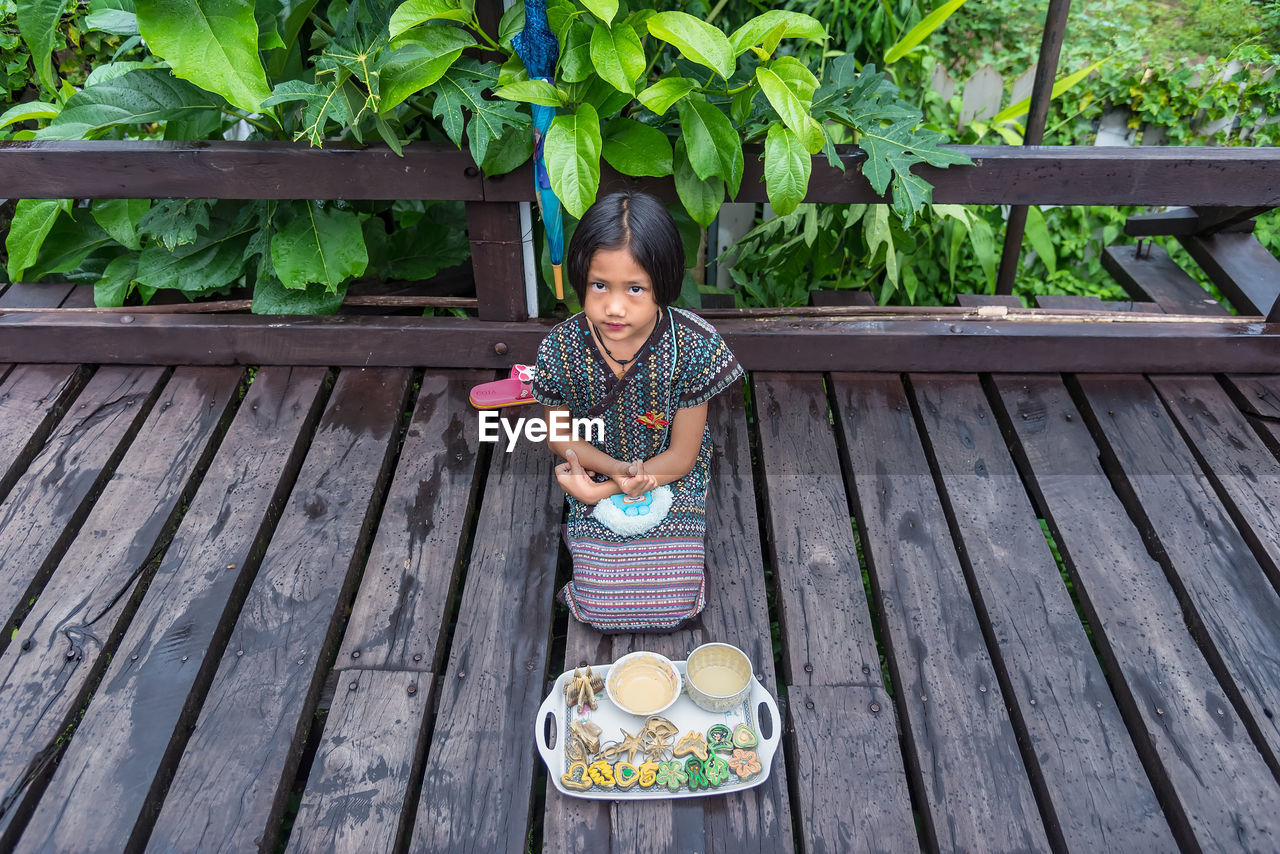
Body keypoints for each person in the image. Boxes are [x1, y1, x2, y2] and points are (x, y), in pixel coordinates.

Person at [531, 190, 744, 633]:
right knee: (604, 602)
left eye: (635, 288)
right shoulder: (560, 347)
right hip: (592, 463)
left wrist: (601, 492)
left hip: (671, 473)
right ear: (580, 279)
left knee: (668, 599)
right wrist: (613, 473)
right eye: (599, 285)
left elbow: (683, 456)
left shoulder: (695, 346)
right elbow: (560, 437)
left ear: (662, 284)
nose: (614, 306)